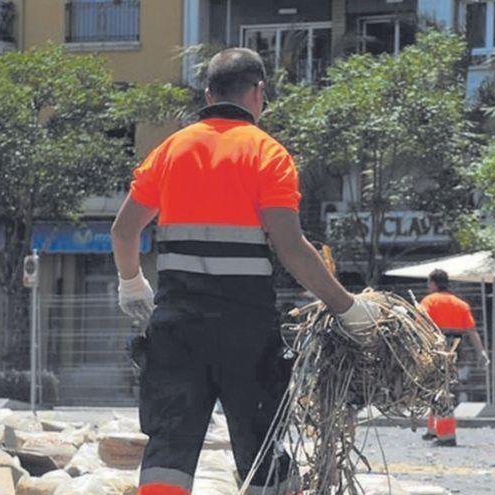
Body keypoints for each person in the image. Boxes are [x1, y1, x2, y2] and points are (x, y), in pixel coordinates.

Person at [111, 47, 379, 495]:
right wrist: (346, 307)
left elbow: (123, 232)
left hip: (177, 328)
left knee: (169, 449)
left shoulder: (171, 149)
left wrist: (131, 283)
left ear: (208, 93)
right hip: (245, 331)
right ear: (258, 93)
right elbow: (291, 248)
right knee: (259, 449)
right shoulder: (268, 154)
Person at [418, 269, 490, 447]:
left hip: (434, 349)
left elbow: (419, 325)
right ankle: (433, 430)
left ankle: (446, 435)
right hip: (456, 351)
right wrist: (481, 352)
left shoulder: (429, 301)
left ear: (434, 283)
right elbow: (472, 331)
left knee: (438, 390)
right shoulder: (461, 305)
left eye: (429, 283)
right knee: (444, 388)